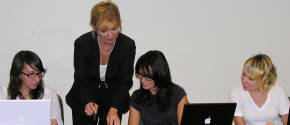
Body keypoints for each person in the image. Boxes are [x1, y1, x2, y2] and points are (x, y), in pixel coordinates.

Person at [65, 1, 136, 125]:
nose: (110, 35)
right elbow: (80, 80)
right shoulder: (83, 44)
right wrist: (88, 102)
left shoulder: (127, 45)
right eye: (104, 31)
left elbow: (124, 82)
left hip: (114, 97)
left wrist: (114, 108)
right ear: (95, 27)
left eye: (114, 29)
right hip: (85, 95)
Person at [0, 50, 63, 125]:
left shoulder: (49, 93)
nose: (37, 79)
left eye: (39, 73)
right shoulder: (3, 94)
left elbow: (58, 121)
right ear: (18, 74)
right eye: (31, 74)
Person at [128, 50, 189, 125]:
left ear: (160, 75)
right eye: (140, 74)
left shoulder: (178, 94)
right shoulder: (137, 97)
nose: (143, 80)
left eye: (148, 76)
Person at [228, 53, 289, 125]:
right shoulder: (235, 94)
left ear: (263, 80)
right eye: (243, 74)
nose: (244, 80)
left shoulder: (278, 91)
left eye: (250, 79)